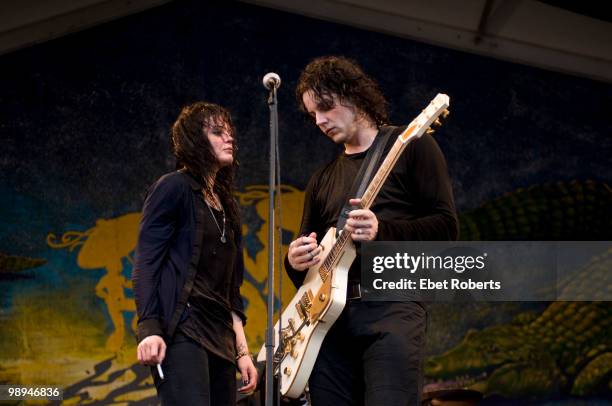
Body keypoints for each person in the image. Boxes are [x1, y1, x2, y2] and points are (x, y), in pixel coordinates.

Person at [286, 56, 458, 405]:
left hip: (392, 308)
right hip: (327, 327)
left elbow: (446, 227)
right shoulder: (322, 179)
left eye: (325, 107)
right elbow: (306, 272)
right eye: (312, 114)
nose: (319, 121)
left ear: (353, 95)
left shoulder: (411, 146)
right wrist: (294, 258)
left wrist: (383, 230)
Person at [133, 102, 257, 405]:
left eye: (230, 133)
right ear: (195, 141)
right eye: (217, 132)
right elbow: (147, 262)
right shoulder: (172, 187)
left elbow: (230, 291)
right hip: (184, 329)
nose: (229, 139)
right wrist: (149, 328)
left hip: (221, 339)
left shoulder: (227, 207)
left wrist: (243, 352)